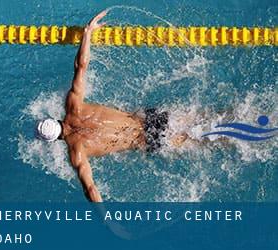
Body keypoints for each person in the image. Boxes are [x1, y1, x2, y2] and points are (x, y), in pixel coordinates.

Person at [36, 11, 188, 202]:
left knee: (206, 141)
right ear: (54, 119)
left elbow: (90, 189)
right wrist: (87, 33)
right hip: (150, 118)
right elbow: (81, 66)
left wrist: (109, 223)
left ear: (54, 140)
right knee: (204, 118)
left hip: (149, 140)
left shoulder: (77, 152)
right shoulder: (73, 105)